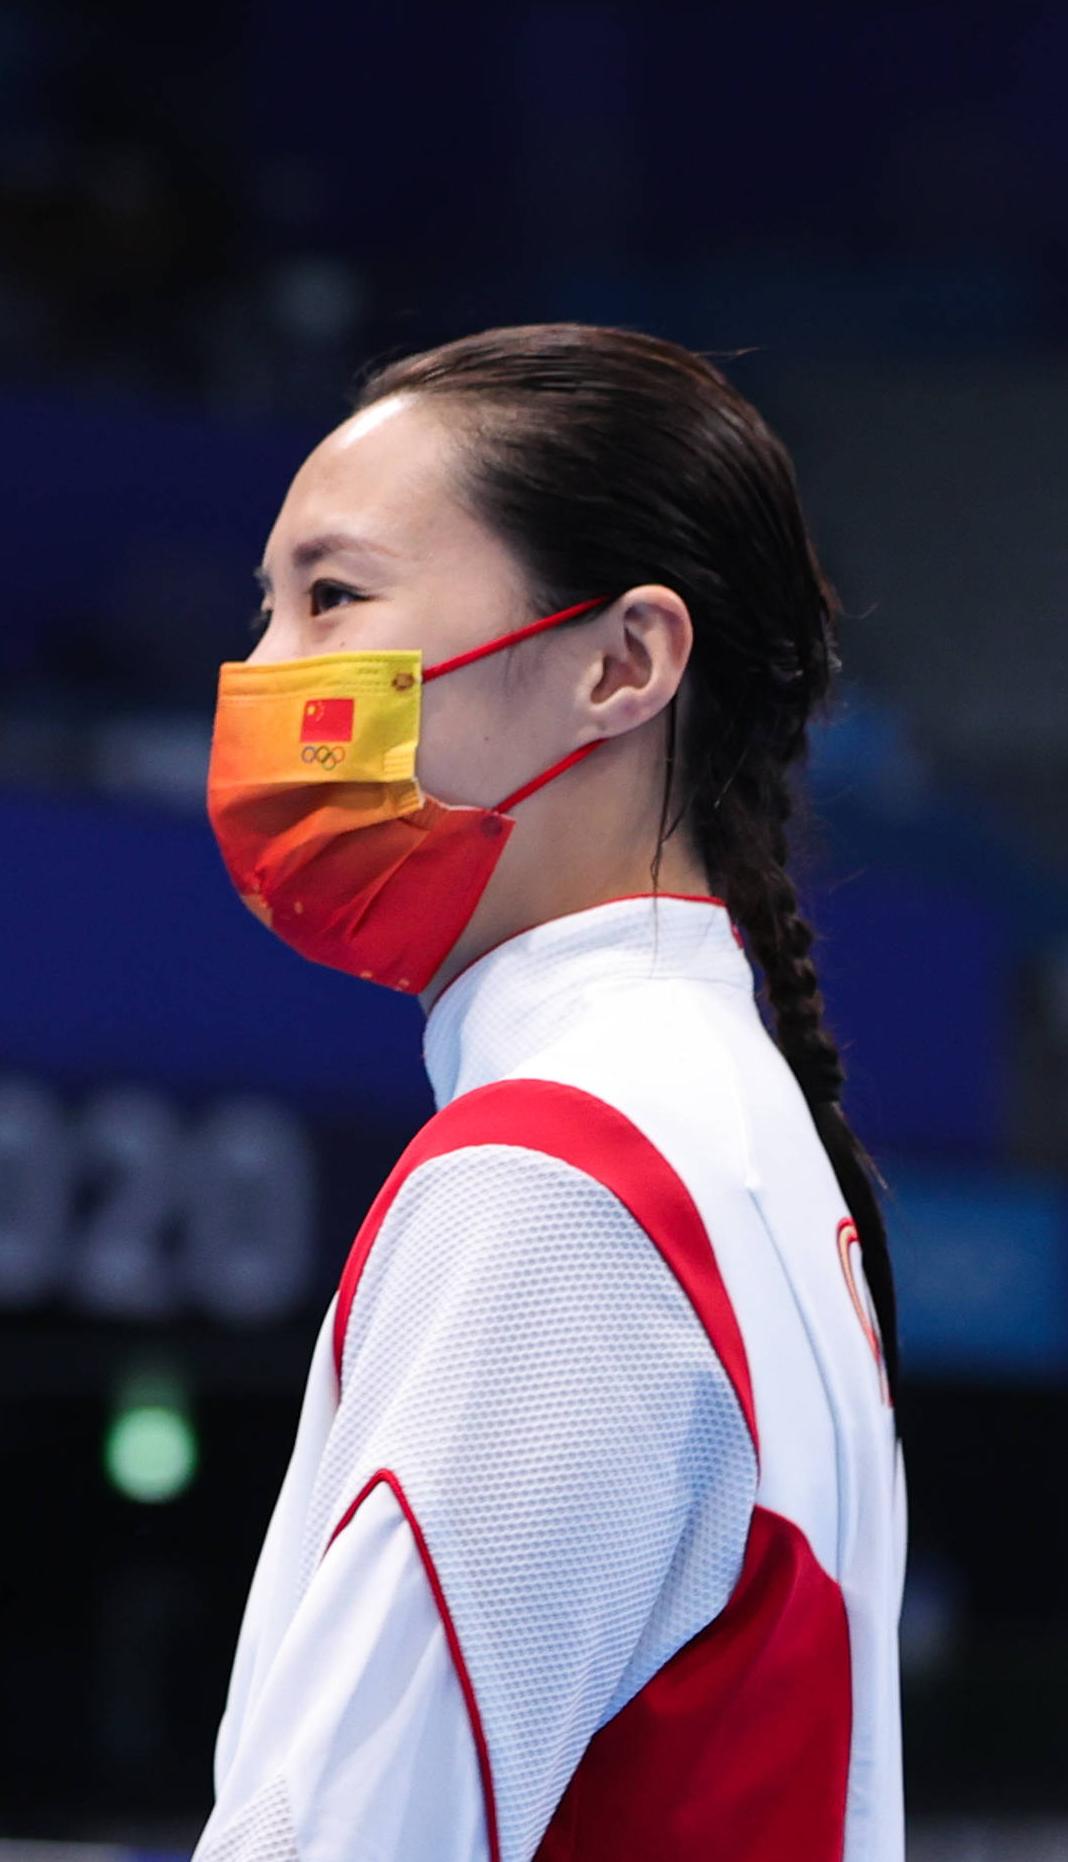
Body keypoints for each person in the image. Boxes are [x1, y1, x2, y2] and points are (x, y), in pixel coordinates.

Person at [195, 326, 903, 1862]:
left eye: (333, 597)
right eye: (265, 612)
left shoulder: (562, 1181)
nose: (263, 679)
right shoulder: (730, 1137)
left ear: (619, 663)